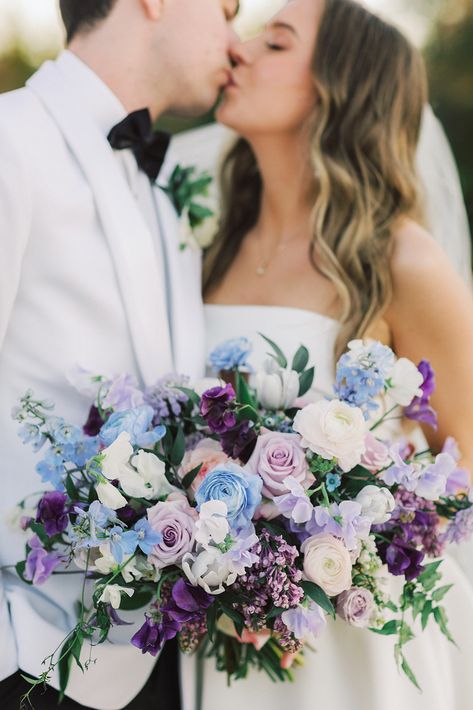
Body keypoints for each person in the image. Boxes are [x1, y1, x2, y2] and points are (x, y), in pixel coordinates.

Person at [189, 0, 473, 708]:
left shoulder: (401, 260)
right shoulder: (211, 244)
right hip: (217, 637)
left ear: (338, 88)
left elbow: (463, 468)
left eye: (275, 43)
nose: (239, 50)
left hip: (350, 648)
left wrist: (329, 549)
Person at [0, 1, 239, 708]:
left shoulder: (162, 193)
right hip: (26, 657)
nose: (235, 37)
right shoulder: (9, 140)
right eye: (227, 8)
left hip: (157, 661)